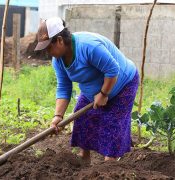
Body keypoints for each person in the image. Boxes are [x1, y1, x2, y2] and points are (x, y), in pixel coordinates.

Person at [35, 17, 139, 162]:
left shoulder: (89, 46)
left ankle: (110, 165)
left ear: (59, 40)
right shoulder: (58, 60)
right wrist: (58, 116)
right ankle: (84, 161)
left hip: (123, 84)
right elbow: (64, 87)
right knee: (82, 118)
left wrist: (103, 94)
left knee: (112, 125)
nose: (48, 52)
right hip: (93, 91)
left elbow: (113, 70)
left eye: (48, 47)